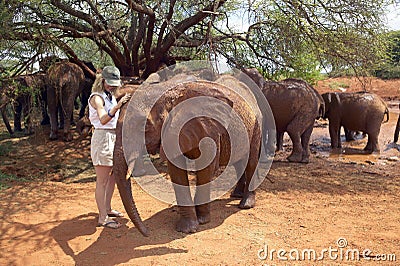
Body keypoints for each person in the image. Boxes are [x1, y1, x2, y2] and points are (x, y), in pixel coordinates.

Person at [88, 66, 131, 229]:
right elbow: (104, 119)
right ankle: (102, 218)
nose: (111, 86)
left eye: (114, 84)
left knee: (113, 176)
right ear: (102, 80)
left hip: (114, 137)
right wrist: (118, 106)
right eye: (109, 83)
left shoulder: (110, 96)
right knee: (102, 180)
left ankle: (107, 208)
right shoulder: (97, 98)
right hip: (103, 137)